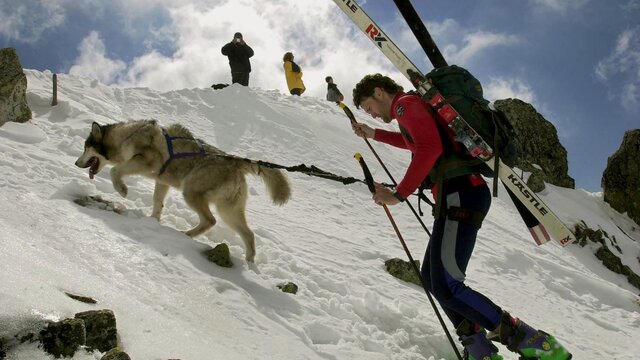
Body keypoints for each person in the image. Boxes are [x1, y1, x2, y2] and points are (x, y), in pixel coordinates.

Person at [351, 73, 571, 360]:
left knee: (446, 283)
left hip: (460, 193)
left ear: (379, 92)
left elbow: (430, 148)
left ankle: (533, 342)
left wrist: (399, 194)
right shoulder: (411, 108)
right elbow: (416, 141)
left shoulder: (405, 105)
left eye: (369, 107)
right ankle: (479, 349)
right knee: (433, 279)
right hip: (456, 195)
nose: (373, 114)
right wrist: (374, 133)